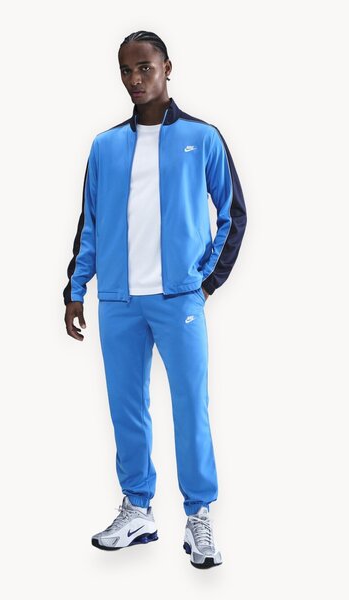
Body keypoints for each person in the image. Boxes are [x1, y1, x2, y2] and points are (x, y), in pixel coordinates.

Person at [63, 30, 247, 569]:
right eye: (126, 70)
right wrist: (76, 289)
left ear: (168, 67)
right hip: (119, 302)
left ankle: (199, 515)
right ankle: (137, 508)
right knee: (126, 409)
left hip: (178, 299)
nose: (135, 79)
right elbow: (90, 225)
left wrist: (205, 282)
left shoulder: (201, 137)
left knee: (191, 407)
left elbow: (233, 214)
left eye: (145, 67)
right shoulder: (104, 146)